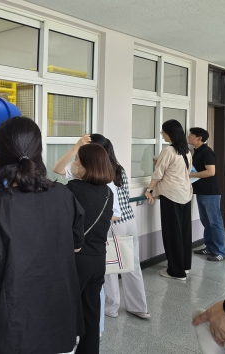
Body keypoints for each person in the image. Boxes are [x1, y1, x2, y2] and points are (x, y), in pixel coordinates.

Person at [0, 116, 85, 354]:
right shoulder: (65, 197)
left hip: (5, 330)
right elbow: (76, 247)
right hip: (60, 325)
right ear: (38, 152)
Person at [90, 134, 150, 320]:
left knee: (109, 267)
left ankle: (111, 307)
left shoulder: (101, 171)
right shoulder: (119, 169)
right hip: (130, 221)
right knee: (133, 265)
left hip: (113, 224)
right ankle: (139, 307)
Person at [66, 143, 115, 354]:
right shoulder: (107, 192)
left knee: (64, 310)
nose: (74, 163)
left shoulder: (72, 189)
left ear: (87, 165)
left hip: (77, 260)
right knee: (91, 312)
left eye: (77, 159)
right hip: (98, 259)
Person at [145, 119, 193, 281]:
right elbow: (183, 171)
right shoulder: (186, 151)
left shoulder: (168, 150)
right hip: (185, 194)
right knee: (184, 232)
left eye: (163, 132)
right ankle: (184, 266)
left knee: (172, 233)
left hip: (171, 195)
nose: (162, 135)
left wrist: (149, 190)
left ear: (170, 133)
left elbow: (158, 174)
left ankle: (176, 272)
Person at [188, 127, 225, 262]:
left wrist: (191, 175)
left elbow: (211, 172)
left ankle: (220, 251)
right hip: (201, 191)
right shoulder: (197, 152)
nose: (188, 137)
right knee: (206, 221)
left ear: (199, 138)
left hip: (210, 192)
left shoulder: (206, 151)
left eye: (191, 135)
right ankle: (210, 247)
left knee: (215, 222)